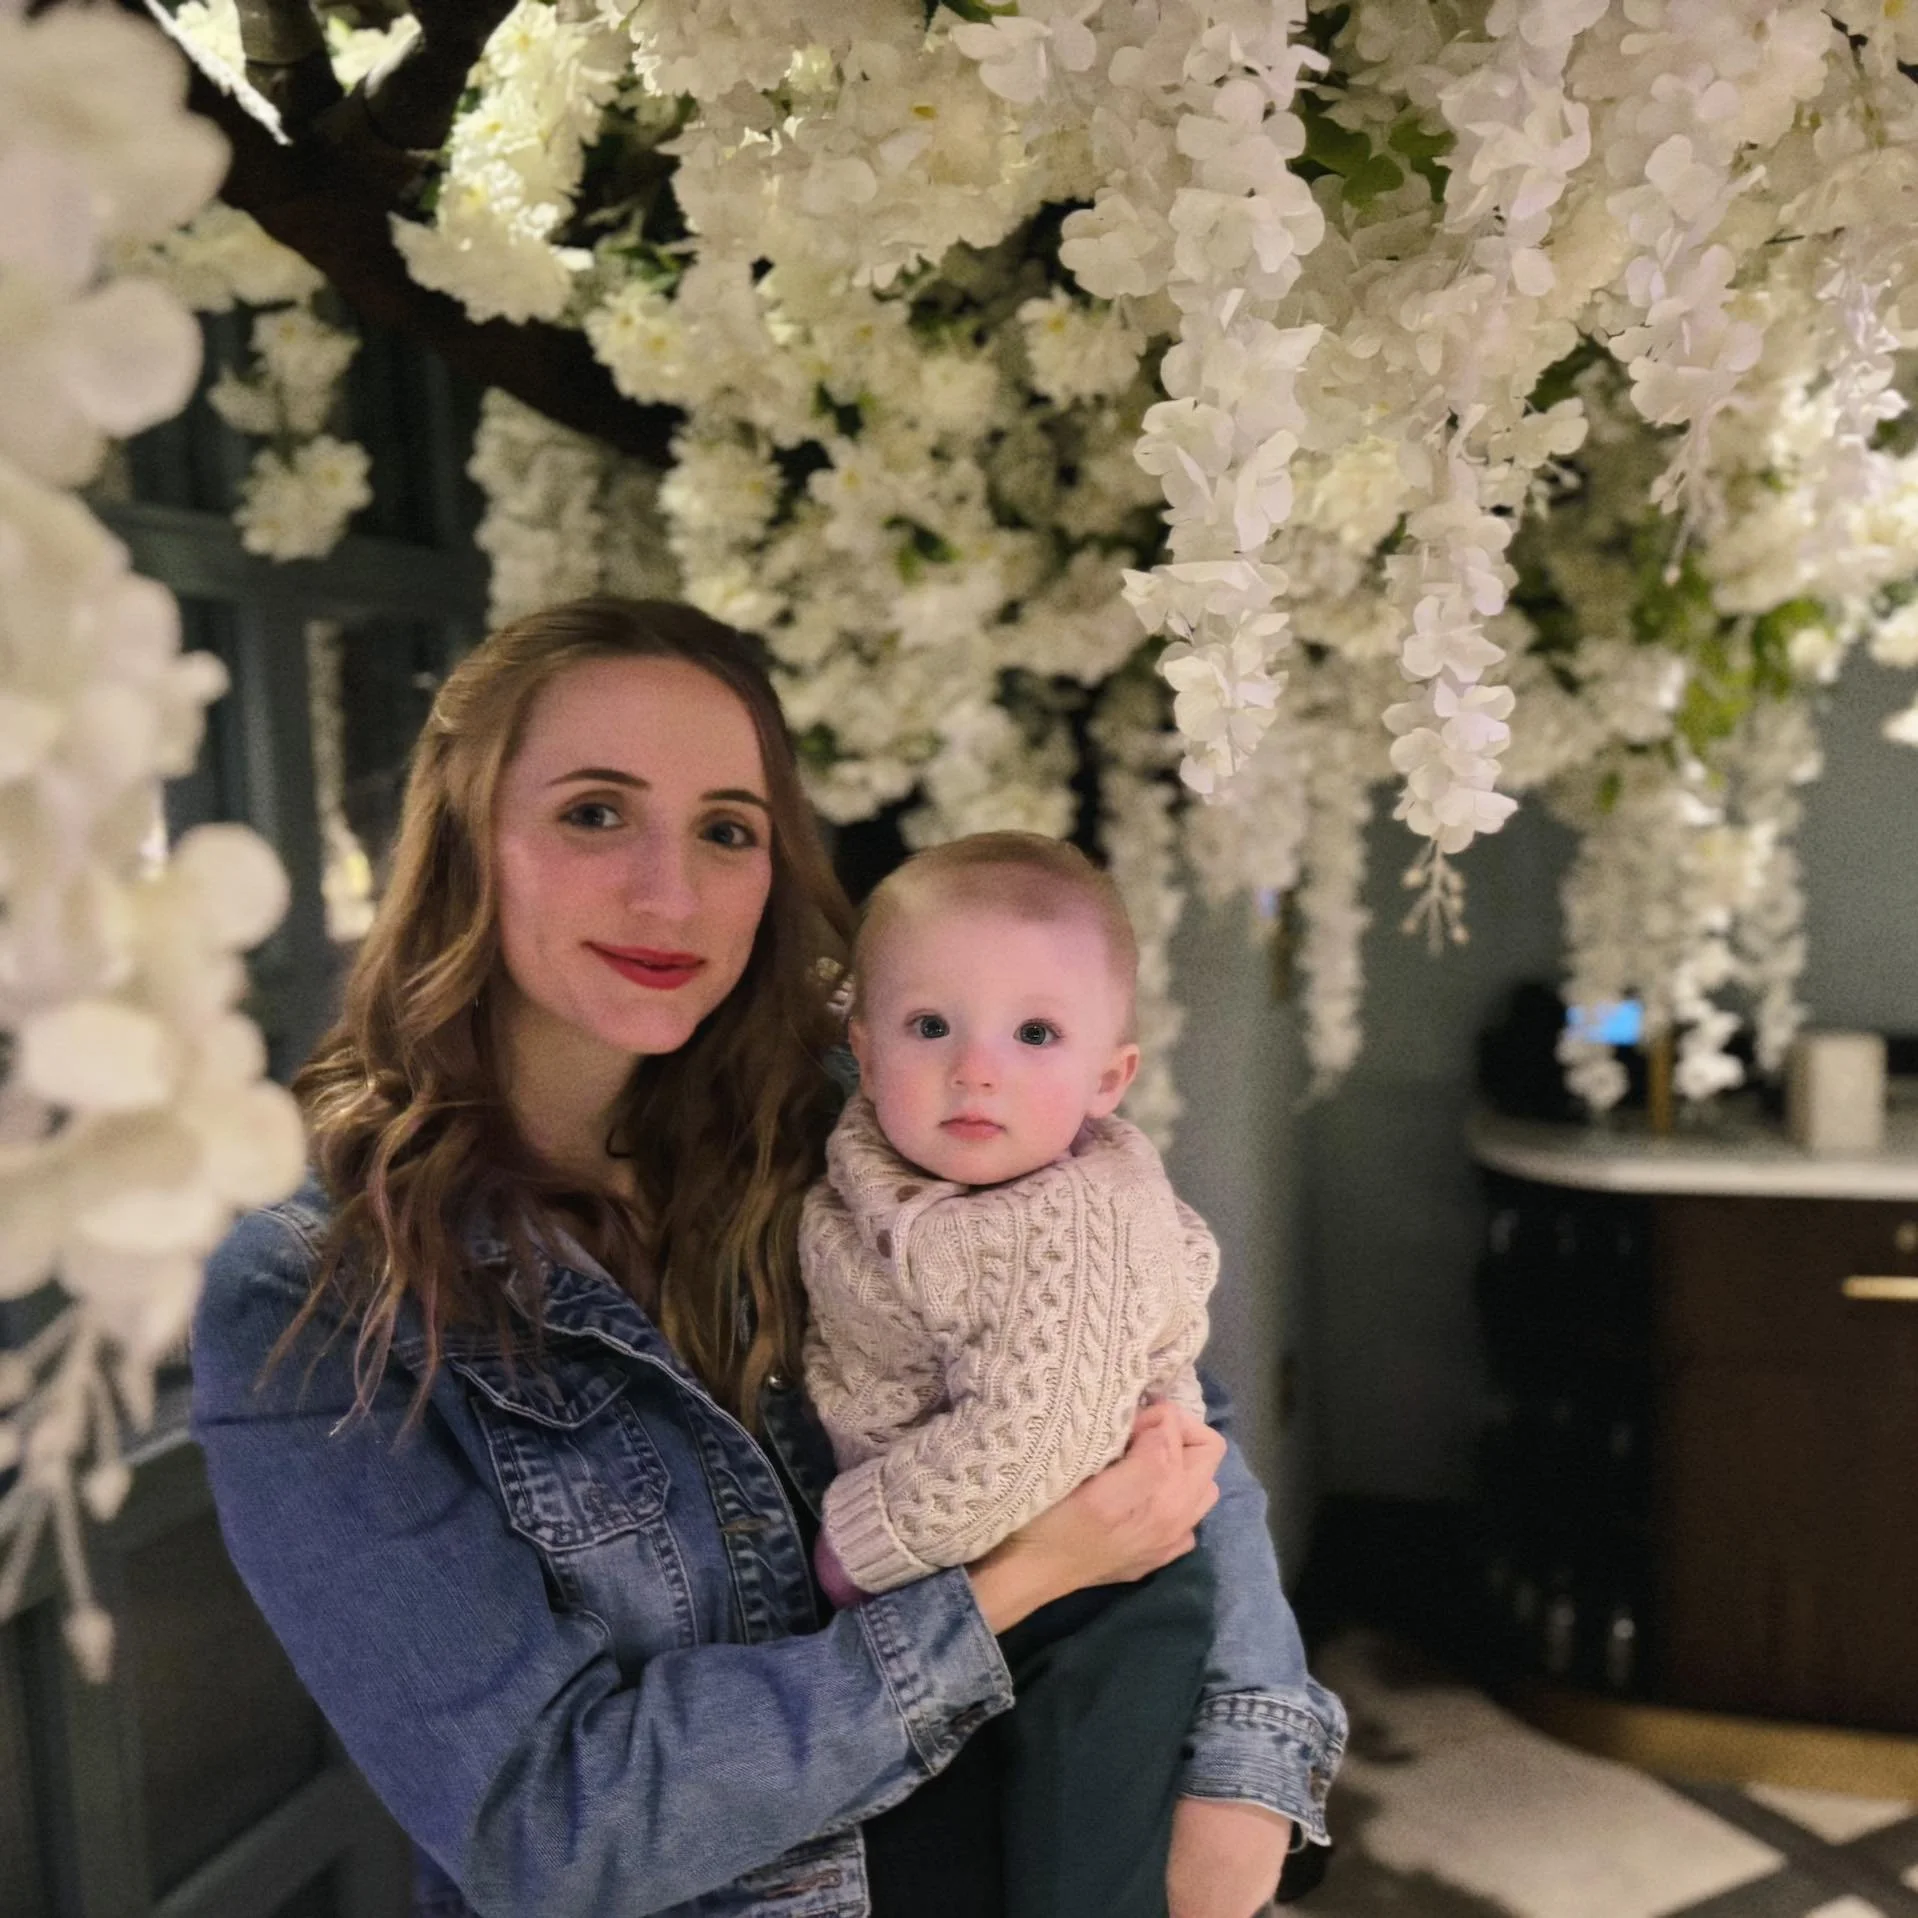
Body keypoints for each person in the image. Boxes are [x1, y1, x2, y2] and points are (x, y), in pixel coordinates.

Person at [190, 597, 1346, 1918]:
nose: (667, 891)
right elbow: (551, 1827)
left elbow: (1161, 1393)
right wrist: (1014, 1581)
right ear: (467, 840)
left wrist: (1249, 1768)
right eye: (593, 812)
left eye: (725, 830)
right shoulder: (319, 1291)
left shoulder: (859, 1102)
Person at [801, 831, 1226, 1918]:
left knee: (1075, 1882)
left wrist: (857, 1541)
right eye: (929, 1024)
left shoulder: (1067, 1218)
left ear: (1108, 1077)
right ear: (860, 1042)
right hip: (973, 1586)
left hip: (1100, 1598)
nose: (975, 1067)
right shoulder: (875, 1164)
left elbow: (1029, 1439)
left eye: (1035, 1033)